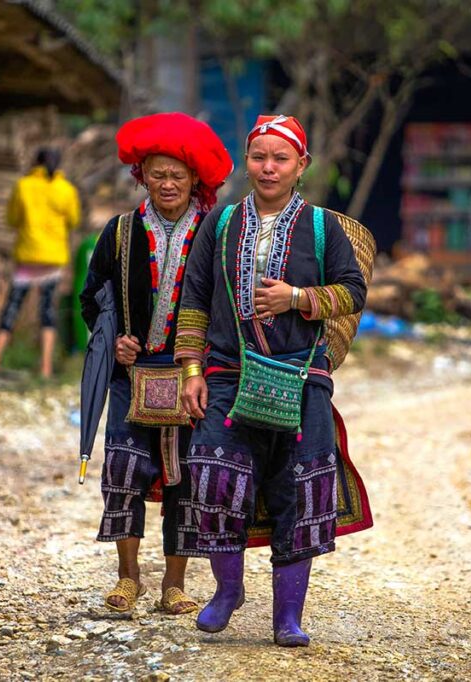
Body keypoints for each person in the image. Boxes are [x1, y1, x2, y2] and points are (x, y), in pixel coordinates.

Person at [174, 114, 367, 646]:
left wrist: (299, 299)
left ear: (301, 165)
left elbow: (353, 291)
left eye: (280, 158)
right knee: (212, 478)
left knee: (298, 490)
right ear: (246, 162)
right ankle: (227, 591)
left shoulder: (324, 228)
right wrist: (191, 369)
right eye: (259, 157)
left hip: (301, 379)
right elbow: (193, 299)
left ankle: (287, 619)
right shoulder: (222, 223)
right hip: (227, 375)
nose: (268, 167)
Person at [80, 113, 232, 614]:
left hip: (192, 375)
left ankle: (174, 583)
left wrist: (206, 358)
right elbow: (91, 298)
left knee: (182, 475)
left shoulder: (215, 234)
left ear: (195, 181)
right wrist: (114, 339)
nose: (167, 183)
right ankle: (128, 578)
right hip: (132, 375)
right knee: (123, 467)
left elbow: (230, 305)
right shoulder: (121, 232)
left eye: (177, 175)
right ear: (141, 176)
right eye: (157, 173)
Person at [0, 148, 81, 378]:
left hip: (28, 256)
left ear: (35, 162)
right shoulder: (66, 190)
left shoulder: (23, 185)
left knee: (12, 305)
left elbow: (12, 219)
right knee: (47, 309)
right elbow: (74, 220)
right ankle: (46, 366)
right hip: (53, 258)